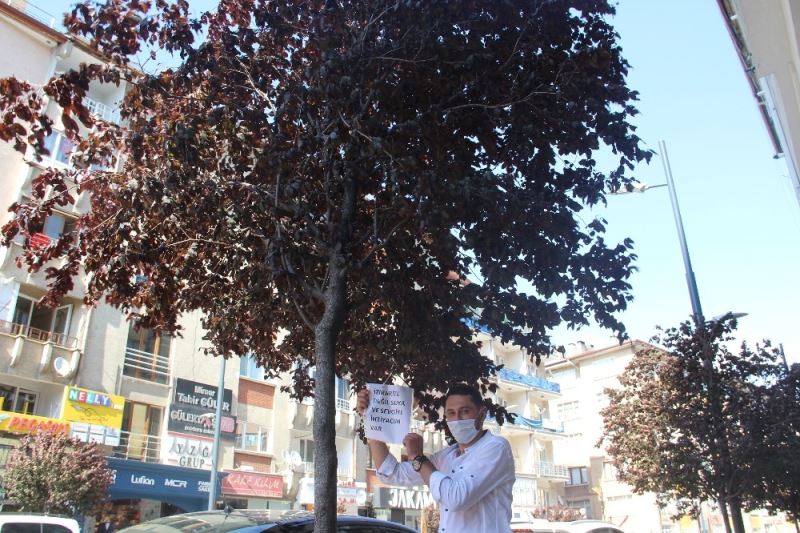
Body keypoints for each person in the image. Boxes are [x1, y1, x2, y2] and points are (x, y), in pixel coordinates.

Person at [356, 383, 515, 533]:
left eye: (465, 411)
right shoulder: (446, 456)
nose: (457, 419)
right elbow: (391, 474)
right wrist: (371, 418)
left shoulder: (496, 447)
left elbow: (456, 498)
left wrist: (418, 457)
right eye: (451, 413)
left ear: (482, 414)